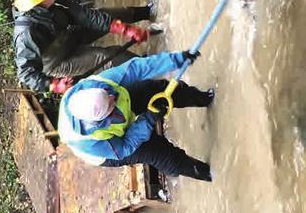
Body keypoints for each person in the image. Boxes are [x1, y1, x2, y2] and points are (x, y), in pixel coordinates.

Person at [57, 50, 214, 181]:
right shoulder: (90, 143)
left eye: (109, 95)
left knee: (157, 90)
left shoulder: (98, 85)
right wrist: (148, 119)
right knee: (161, 154)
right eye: (110, 103)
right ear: (102, 119)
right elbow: (125, 145)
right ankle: (211, 174)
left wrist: (175, 60)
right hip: (116, 148)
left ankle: (206, 98)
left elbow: (137, 68)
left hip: (113, 111)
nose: (113, 98)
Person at [13, 0, 152, 94]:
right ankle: (150, 69)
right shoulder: (26, 33)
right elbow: (25, 73)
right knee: (105, 57)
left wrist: (125, 29)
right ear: (39, 0)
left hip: (69, 35)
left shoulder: (54, 0)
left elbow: (85, 15)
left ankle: (149, 11)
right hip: (57, 61)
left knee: (106, 15)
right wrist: (54, 85)